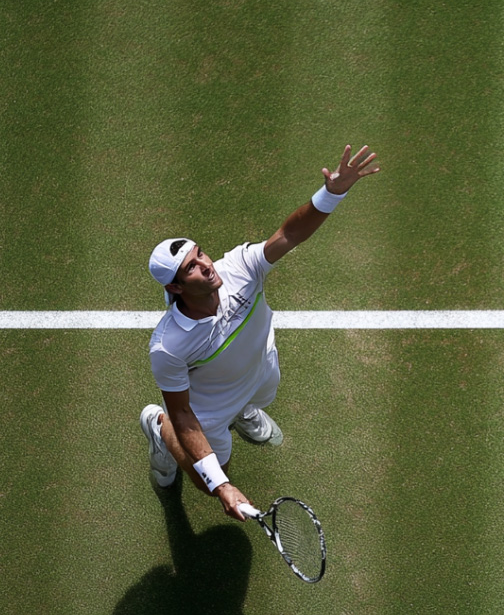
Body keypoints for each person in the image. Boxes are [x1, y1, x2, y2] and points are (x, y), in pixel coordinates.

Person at [140, 145, 379, 521]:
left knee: (264, 394)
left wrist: (333, 193)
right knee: (207, 481)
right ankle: (157, 427)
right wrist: (221, 486)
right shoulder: (168, 346)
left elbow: (289, 233)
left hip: (260, 369)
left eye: (200, 254)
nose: (205, 265)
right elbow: (184, 413)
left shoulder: (239, 268)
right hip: (210, 409)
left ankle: (246, 410)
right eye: (191, 268)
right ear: (176, 289)